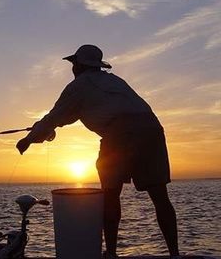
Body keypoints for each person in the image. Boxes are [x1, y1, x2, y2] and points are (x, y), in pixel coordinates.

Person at [16, 44, 180, 258]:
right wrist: (47, 131)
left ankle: (111, 254)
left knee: (111, 195)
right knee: (160, 197)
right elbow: (67, 116)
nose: (72, 68)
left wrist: (29, 139)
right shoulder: (115, 81)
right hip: (152, 130)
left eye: (74, 63)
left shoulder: (78, 86)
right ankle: (175, 254)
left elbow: (55, 117)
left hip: (119, 133)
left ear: (78, 65)